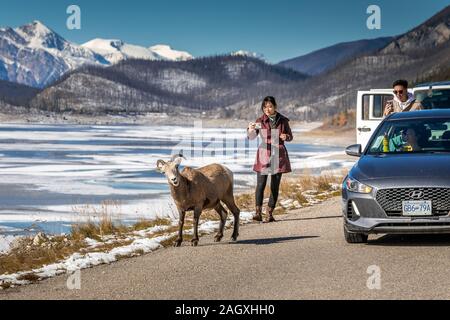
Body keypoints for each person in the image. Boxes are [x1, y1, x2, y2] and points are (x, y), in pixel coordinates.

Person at [247, 96, 293, 223]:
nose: (267, 109)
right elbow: (251, 137)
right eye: (265, 107)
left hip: (278, 154)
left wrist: (286, 136)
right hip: (264, 154)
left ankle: (269, 213)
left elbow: (290, 137)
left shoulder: (283, 121)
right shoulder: (259, 121)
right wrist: (250, 130)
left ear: (275, 107)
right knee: (260, 185)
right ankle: (258, 213)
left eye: (270, 106)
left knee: (274, 186)